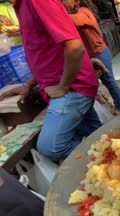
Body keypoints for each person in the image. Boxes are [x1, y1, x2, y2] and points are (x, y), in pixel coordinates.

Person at [0, 0, 102, 162]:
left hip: (72, 90)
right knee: (97, 135)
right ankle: (108, 155)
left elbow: (75, 48)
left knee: (51, 147)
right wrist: (29, 84)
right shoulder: (22, 5)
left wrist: (63, 87)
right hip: (70, 87)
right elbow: (45, 52)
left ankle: (104, 156)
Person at [63, 0, 120, 112]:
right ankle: (110, 109)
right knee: (96, 85)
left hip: (100, 54)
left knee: (109, 82)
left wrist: (54, 13)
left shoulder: (84, 11)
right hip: (93, 56)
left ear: (76, 1)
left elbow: (74, 20)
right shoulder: (78, 12)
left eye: (64, 1)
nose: (62, 3)